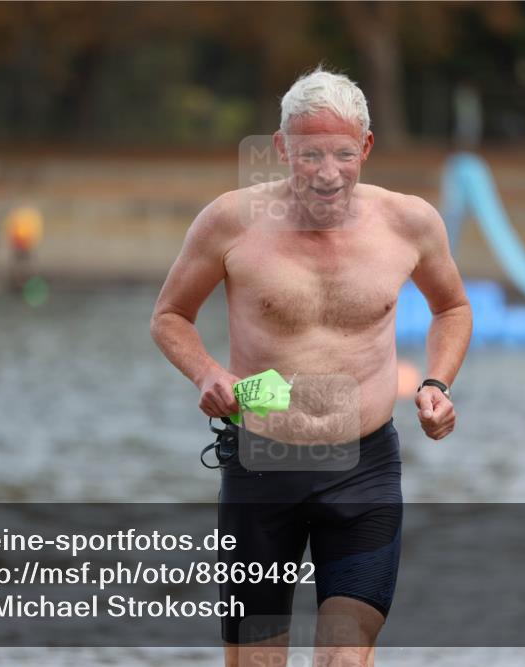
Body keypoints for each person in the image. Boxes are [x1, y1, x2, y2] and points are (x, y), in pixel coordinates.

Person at [151, 66, 472, 667]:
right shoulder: (230, 221)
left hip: (364, 469)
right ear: (281, 149)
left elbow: (451, 307)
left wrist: (436, 383)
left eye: (343, 155)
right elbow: (169, 316)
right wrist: (207, 374)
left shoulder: (409, 223)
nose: (327, 174)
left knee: (343, 658)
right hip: (261, 469)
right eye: (309, 155)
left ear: (367, 148)